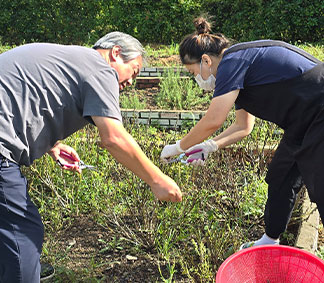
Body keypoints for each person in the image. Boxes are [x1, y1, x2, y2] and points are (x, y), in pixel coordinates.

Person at [0, 31, 182, 283]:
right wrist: (157, 180)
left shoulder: (73, 60)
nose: (132, 82)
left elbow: (29, 94)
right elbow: (113, 138)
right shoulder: (100, 68)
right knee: (23, 233)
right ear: (116, 53)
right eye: (135, 71)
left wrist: (52, 145)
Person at [160, 17, 323, 250]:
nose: (196, 79)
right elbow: (243, 126)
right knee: (281, 176)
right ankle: (270, 239)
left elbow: (213, 120)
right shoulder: (236, 69)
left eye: (193, 71)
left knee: (321, 184)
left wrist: (179, 147)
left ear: (206, 60)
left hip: (319, 112)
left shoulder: (232, 61)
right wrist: (210, 146)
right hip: (303, 120)